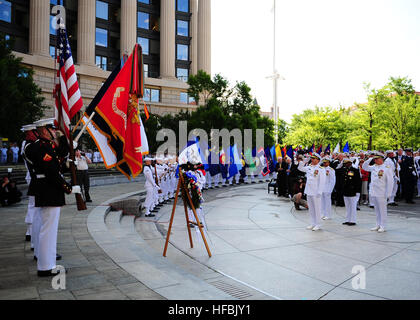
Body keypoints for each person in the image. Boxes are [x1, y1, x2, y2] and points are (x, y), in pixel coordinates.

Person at [25, 118, 81, 277]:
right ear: (44, 130)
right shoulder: (42, 147)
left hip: (47, 190)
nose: (54, 132)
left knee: (47, 229)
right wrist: (69, 188)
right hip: (49, 190)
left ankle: (46, 263)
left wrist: (67, 164)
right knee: (48, 230)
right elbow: (51, 173)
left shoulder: (45, 146)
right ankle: (45, 266)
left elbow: (55, 167)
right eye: (51, 130)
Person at [362, 153, 394, 233]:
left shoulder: (387, 168)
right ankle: (378, 224)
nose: (375, 160)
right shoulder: (374, 167)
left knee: (382, 210)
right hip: (374, 191)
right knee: (376, 210)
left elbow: (390, 182)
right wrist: (369, 159)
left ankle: (383, 226)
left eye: (376, 159)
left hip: (382, 192)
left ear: (381, 159)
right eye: (374, 159)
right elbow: (364, 167)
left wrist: (388, 193)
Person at [297, 153, 326, 231]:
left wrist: (320, 191)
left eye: (314, 158)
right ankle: (312, 223)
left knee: (317, 208)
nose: (312, 160)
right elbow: (300, 168)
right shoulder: (309, 167)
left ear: (318, 160)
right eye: (312, 158)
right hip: (309, 190)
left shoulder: (321, 169)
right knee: (311, 208)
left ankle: (318, 224)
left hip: (316, 191)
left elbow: (322, 181)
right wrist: (303, 161)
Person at [338, 158, 362, 226]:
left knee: (353, 206)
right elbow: (337, 169)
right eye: (344, 163)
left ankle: (353, 220)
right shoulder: (344, 170)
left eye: (347, 163)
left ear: (350, 163)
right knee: (348, 206)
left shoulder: (355, 170)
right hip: (346, 191)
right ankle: (348, 219)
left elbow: (358, 182)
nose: (345, 164)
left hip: (353, 191)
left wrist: (358, 192)